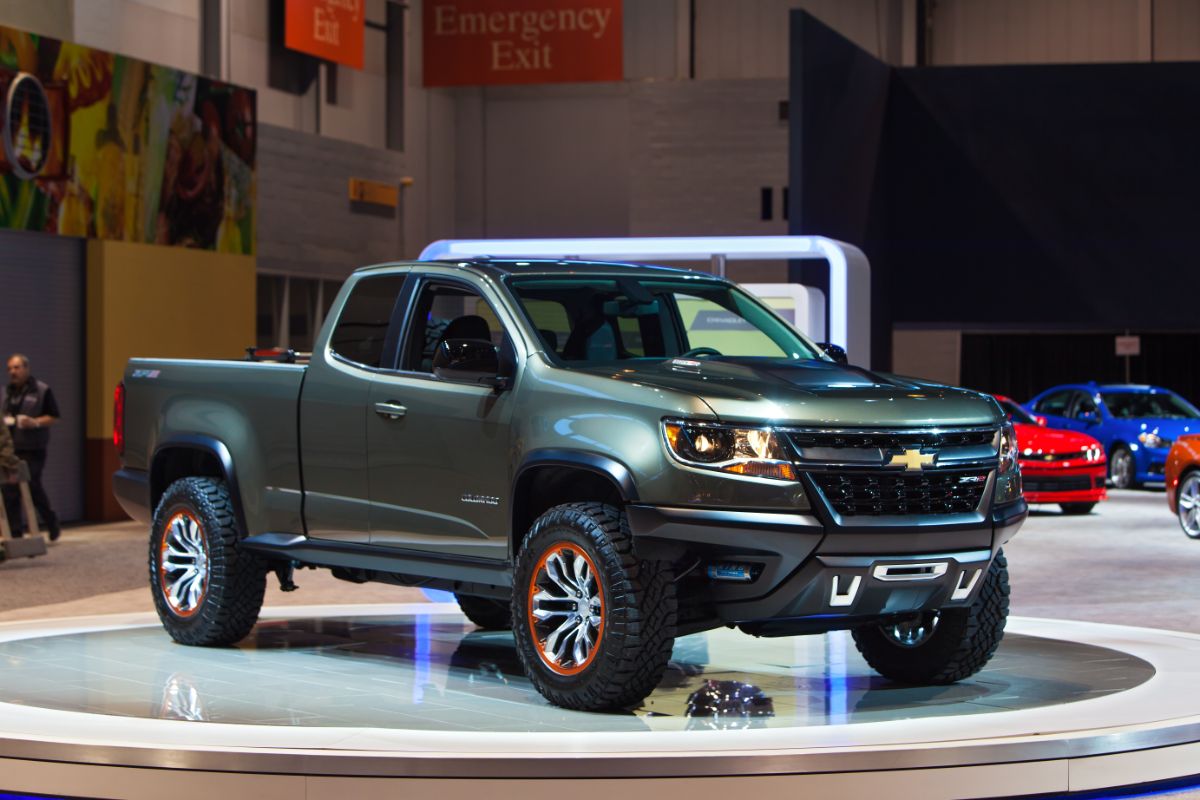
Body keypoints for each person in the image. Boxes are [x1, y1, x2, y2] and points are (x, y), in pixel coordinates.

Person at [2, 354, 60, 540]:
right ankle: (15, 532)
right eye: (10, 368)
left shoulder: (41, 390)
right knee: (9, 489)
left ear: (26, 369)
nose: (13, 372)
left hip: (33, 449)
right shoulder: (6, 393)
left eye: (17, 368)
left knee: (31, 484)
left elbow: (54, 416)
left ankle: (51, 522)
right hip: (10, 450)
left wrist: (34, 422)